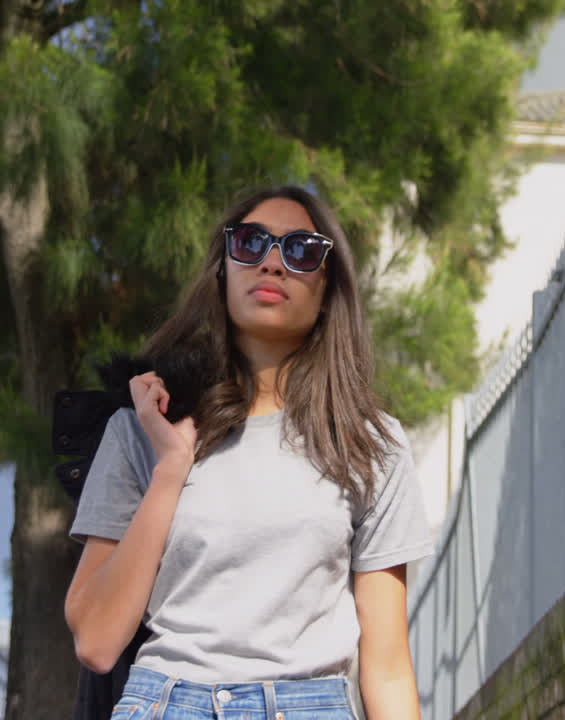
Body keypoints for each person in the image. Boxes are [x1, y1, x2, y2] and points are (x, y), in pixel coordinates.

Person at [64, 185, 434, 720]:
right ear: (222, 269)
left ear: (328, 286)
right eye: (251, 243)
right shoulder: (144, 428)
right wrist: (171, 469)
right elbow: (97, 642)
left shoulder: (370, 444)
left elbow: (388, 666)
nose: (273, 263)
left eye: (301, 250)